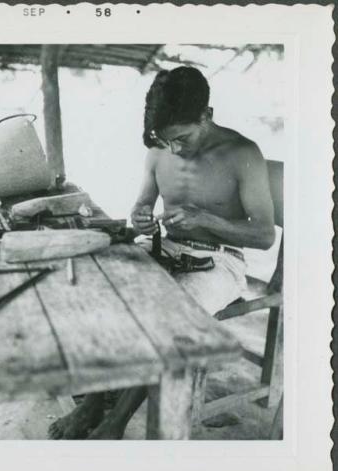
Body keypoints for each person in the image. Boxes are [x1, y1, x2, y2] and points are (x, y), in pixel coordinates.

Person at [49, 66, 275, 440]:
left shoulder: (242, 154)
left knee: (167, 318)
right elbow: (142, 204)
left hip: (220, 261)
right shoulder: (159, 149)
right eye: (167, 141)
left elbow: (265, 235)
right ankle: (92, 401)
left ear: (207, 116)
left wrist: (205, 218)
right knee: (96, 286)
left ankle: (115, 422)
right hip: (164, 247)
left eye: (183, 138)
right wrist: (140, 218)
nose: (175, 149)